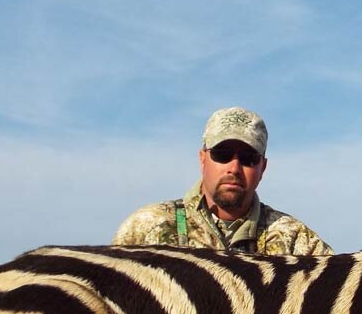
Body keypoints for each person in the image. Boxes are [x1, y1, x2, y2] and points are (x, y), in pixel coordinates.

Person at [112, 107, 333, 255]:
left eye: (248, 159)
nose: (234, 168)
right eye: (222, 154)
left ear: (262, 168)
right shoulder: (146, 228)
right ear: (202, 158)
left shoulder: (295, 241)